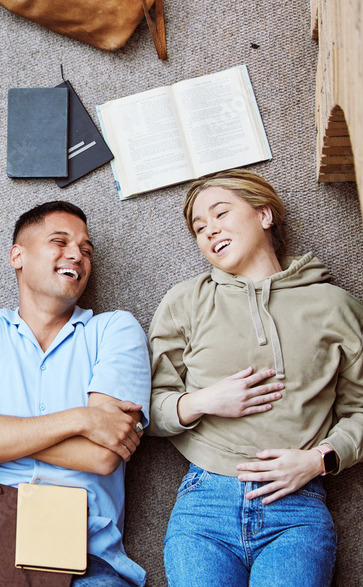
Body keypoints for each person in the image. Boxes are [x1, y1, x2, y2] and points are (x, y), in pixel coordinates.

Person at [0, 201, 151, 587]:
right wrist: (81, 419)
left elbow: (104, 454)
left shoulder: (116, 330)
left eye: (86, 250)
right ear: (17, 256)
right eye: (60, 241)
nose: (77, 254)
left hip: (86, 551)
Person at [148, 169, 363, 586]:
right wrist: (203, 401)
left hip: (297, 506)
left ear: (264, 214)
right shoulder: (185, 302)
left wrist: (319, 459)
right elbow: (142, 410)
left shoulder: (335, 306)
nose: (210, 230)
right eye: (199, 227)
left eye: (221, 213)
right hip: (204, 503)